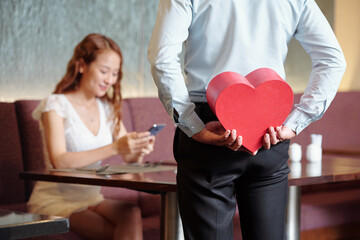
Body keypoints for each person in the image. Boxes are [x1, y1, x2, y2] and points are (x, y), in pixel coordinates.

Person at [148, 1, 346, 240]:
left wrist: (193, 125)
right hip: (271, 126)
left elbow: (162, 57)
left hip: (211, 124)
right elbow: (333, 61)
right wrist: (296, 121)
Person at [28, 33, 155, 240]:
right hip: (54, 199)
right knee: (117, 232)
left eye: (115, 73)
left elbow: (129, 159)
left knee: (131, 212)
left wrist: (139, 148)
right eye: (104, 71)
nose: (110, 80)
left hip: (92, 197)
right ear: (81, 66)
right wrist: (115, 148)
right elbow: (59, 160)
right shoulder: (56, 105)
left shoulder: (106, 108)